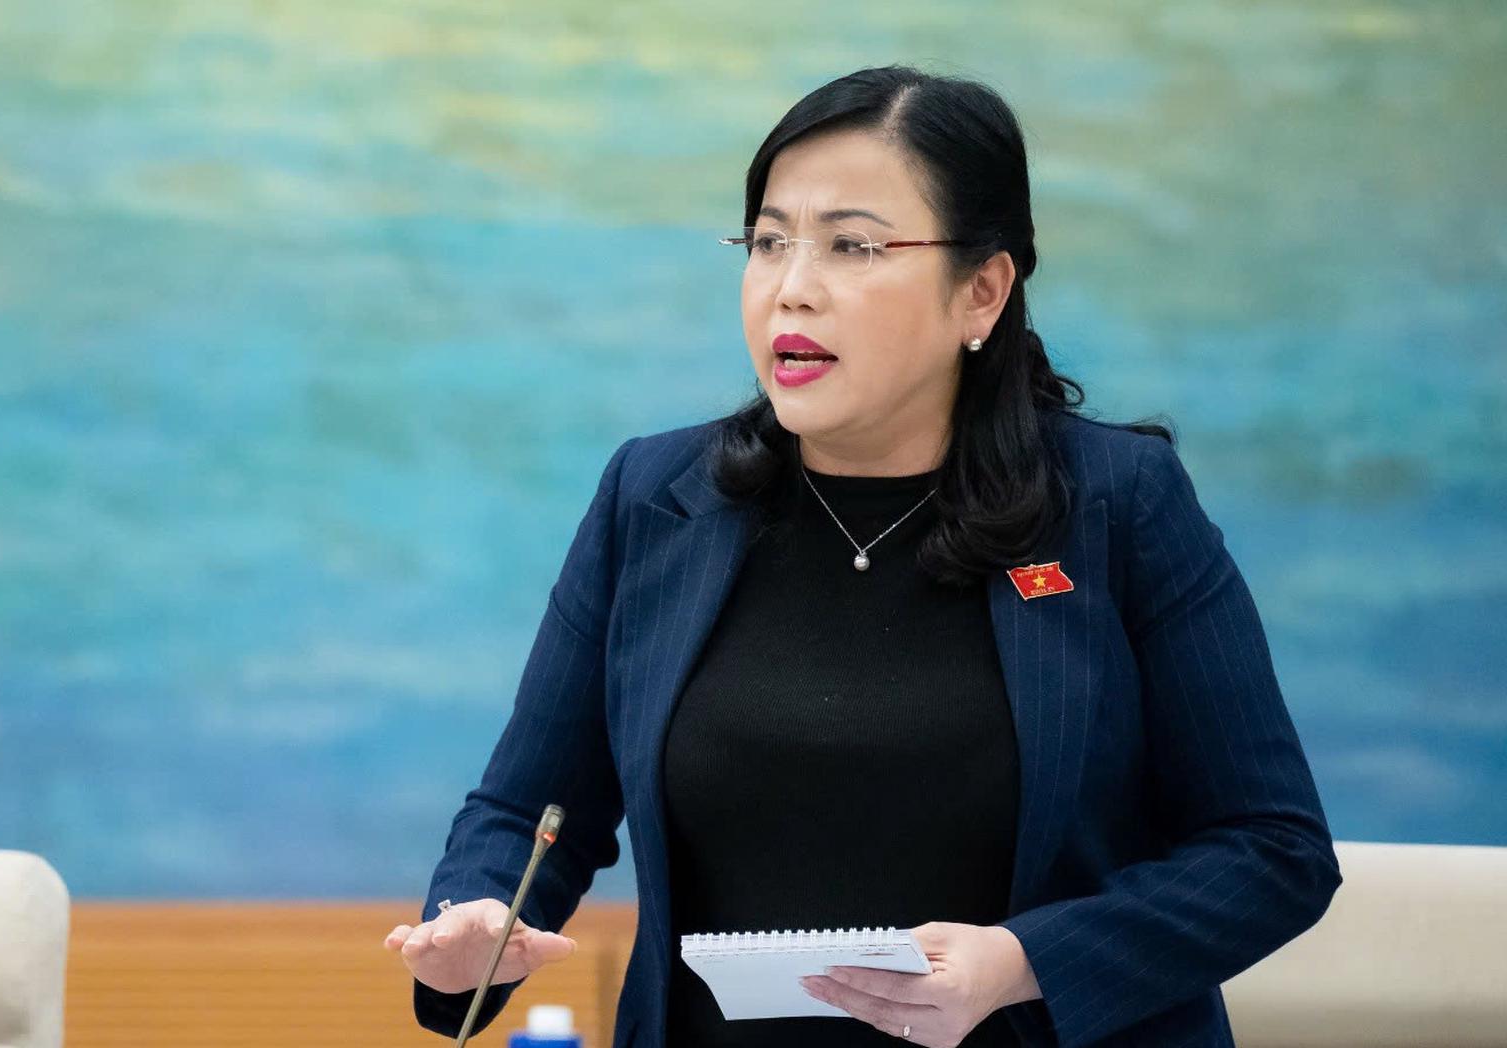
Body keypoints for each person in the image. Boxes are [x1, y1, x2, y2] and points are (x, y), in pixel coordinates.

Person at [382, 64, 1342, 1048]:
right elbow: (530, 811)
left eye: (852, 246)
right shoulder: (656, 498)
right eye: (768, 242)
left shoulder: (1114, 505)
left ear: (981, 291)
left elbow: (1272, 850)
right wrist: (476, 917)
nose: (792, 288)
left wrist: (1024, 964)